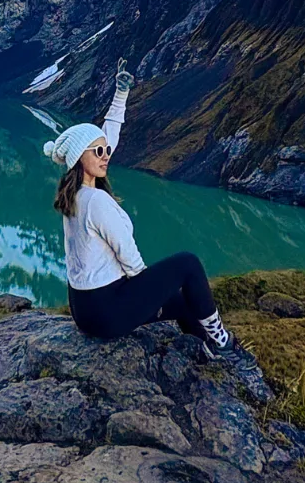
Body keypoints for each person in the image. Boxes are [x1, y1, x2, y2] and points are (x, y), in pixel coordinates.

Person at [43, 61, 238, 359]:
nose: (106, 155)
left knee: (184, 303)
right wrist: (149, 291)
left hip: (84, 310)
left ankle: (207, 349)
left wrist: (121, 95)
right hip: (107, 312)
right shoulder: (97, 202)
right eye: (98, 152)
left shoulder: (76, 196)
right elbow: (129, 257)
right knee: (187, 264)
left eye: (105, 150)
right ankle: (222, 341)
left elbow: (107, 137)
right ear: (78, 157)